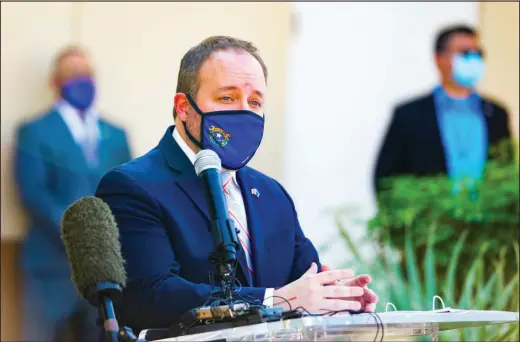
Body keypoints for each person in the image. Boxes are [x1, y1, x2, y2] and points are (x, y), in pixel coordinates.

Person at [95, 36, 378, 333]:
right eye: (227, 98)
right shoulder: (131, 186)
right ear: (183, 107)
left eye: (255, 102)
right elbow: (150, 296)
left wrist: (335, 301)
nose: (244, 112)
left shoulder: (272, 194)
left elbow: (303, 283)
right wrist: (274, 300)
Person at [14, 45, 132, 342]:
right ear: (55, 81)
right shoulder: (34, 131)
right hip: (49, 269)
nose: (81, 79)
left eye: (86, 73)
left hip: (103, 271)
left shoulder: (116, 134)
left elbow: (126, 192)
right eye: (71, 73)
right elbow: (35, 194)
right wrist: (81, 237)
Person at [374, 24, 513, 193]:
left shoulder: (496, 114)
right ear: (440, 59)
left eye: (478, 54)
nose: (473, 59)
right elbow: (386, 178)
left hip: (487, 216)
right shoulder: (410, 115)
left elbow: (508, 173)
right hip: (432, 216)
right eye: (465, 53)